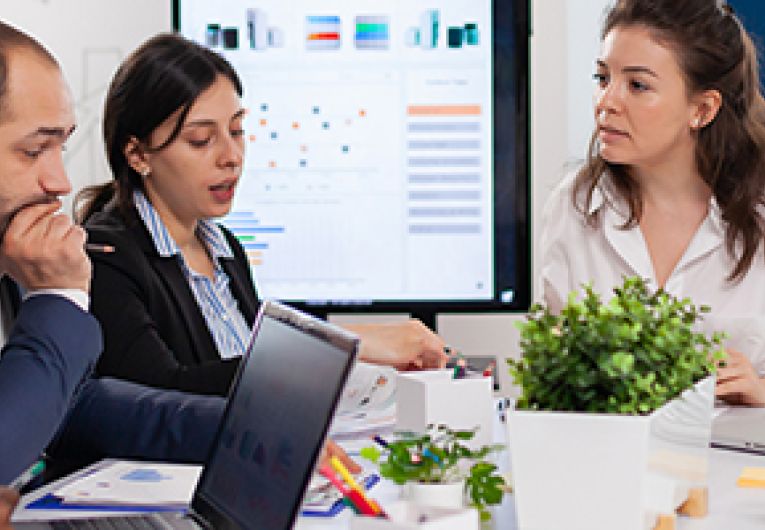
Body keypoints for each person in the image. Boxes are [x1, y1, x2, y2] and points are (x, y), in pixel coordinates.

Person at [0, 20, 357, 498]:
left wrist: (244, 431)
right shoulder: (99, 254)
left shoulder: (16, 262)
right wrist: (57, 296)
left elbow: (75, 403)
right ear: (138, 154)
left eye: (61, 147)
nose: (60, 181)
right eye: (34, 149)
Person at [76, 33, 447, 397]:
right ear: (138, 154)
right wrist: (347, 344)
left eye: (237, 130)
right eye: (201, 140)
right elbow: (161, 396)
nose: (231, 156)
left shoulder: (223, 250)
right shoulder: (107, 255)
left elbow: (247, 373)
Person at [539, 0, 765, 406]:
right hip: (607, 461)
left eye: (637, 85)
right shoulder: (575, 205)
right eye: (602, 77)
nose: (606, 102)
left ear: (703, 109)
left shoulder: (759, 214)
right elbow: (552, 377)